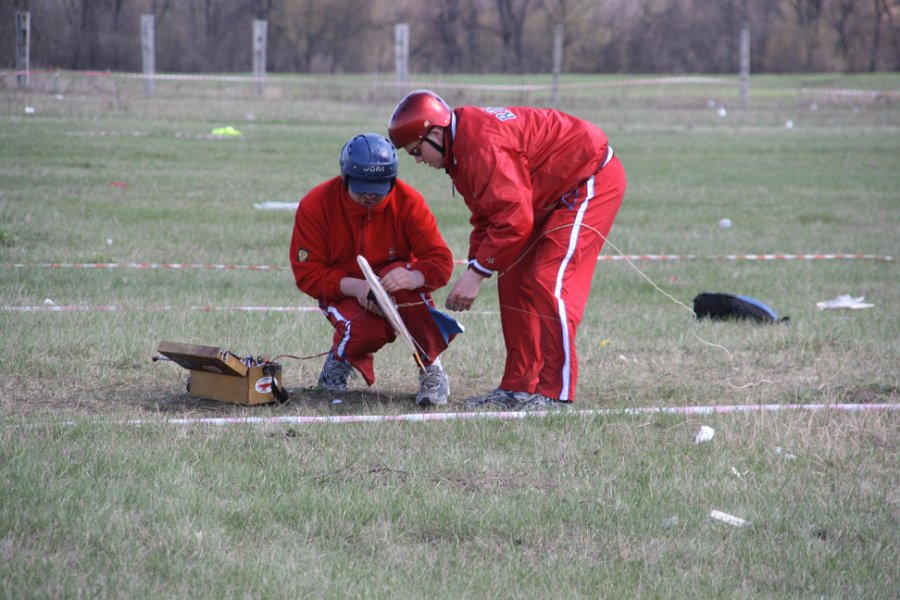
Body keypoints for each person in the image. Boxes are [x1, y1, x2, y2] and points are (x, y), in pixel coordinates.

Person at [388, 90, 626, 410]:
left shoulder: (480, 147)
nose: (418, 160)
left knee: (548, 279)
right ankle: (519, 386)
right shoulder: (460, 150)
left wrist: (476, 274)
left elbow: (515, 220)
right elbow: (488, 216)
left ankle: (556, 392)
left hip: (587, 179)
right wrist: (477, 265)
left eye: (417, 150)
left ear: (436, 132)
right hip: (543, 194)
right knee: (512, 277)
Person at [289, 132, 459, 406]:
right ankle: (340, 360)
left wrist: (414, 276)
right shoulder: (315, 205)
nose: (369, 195)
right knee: (366, 331)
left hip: (397, 287)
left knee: (410, 294)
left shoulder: (409, 202)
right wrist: (358, 287)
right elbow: (307, 273)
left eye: (378, 189)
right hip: (344, 288)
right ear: (345, 178)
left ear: (391, 182)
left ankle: (432, 367)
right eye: (361, 188)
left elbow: (441, 261)